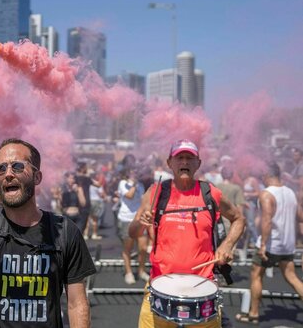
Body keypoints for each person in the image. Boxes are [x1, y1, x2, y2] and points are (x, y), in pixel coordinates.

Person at [0, 85, 96, 327]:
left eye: (17, 166)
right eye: (1, 169)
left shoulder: (65, 232)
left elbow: (77, 304)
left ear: (37, 177)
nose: (8, 174)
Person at [128, 139, 246, 328]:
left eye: (189, 158)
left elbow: (238, 219)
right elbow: (132, 232)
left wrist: (227, 245)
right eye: (179, 158)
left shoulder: (211, 193)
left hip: (202, 290)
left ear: (198, 164)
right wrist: (140, 223)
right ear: (169, 163)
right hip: (159, 288)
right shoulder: (155, 192)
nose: (184, 162)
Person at [235, 163, 303, 324]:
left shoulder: (266, 194)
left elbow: (267, 220)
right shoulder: (290, 193)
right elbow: (300, 216)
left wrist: (263, 244)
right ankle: (253, 313)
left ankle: (253, 314)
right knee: (292, 277)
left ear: (267, 175)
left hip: (271, 244)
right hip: (287, 245)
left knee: (256, 275)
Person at [117, 168, 148, 284]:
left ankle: (141, 271)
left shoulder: (140, 185)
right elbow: (129, 195)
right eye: (133, 171)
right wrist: (134, 184)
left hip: (139, 219)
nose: (135, 173)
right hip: (126, 219)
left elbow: (143, 201)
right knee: (128, 248)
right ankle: (129, 272)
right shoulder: (123, 184)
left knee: (143, 248)